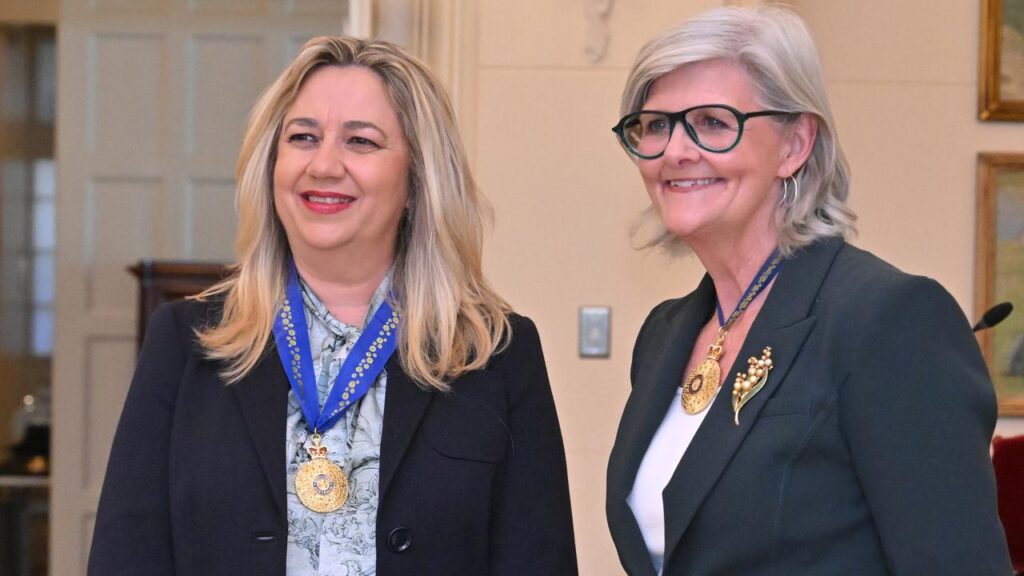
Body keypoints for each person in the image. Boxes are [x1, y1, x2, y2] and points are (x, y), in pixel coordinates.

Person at [88, 36, 577, 576]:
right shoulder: (186, 341)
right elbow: (126, 555)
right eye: (302, 137)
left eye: (361, 142)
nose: (323, 165)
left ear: (417, 180)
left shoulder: (496, 353)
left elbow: (539, 558)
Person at [605, 6, 1012, 575]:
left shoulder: (887, 319)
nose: (675, 151)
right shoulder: (664, 334)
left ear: (796, 144)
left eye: (713, 122)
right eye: (654, 125)